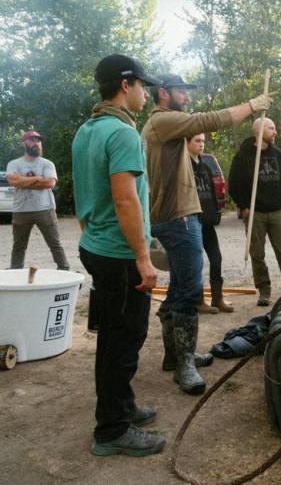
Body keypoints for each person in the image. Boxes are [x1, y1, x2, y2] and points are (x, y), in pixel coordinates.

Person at [142, 74, 271, 395]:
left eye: (187, 90)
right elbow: (210, 120)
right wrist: (252, 106)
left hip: (176, 217)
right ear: (163, 94)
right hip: (178, 219)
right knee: (187, 291)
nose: (185, 95)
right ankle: (184, 363)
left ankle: (176, 356)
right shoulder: (163, 121)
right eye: (180, 90)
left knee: (178, 288)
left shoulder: (161, 126)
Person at [72, 54, 164, 456]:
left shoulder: (87, 130)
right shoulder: (124, 134)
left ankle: (122, 408)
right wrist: (143, 258)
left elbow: (83, 194)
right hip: (120, 254)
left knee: (113, 336)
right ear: (125, 85)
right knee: (124, 341)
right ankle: (111, 430)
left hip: (97, 246)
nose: (146, 91)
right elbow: (126, 200)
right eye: (143, 84)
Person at [228, 117, 281, 306]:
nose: (275, 132)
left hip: (277, 212)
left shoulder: (280, 156)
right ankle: (264, 290)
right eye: (271, 128)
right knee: (257, 255)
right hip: (255, 214)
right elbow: (234, 185)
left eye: (275, 128)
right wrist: (244, 206)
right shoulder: (243, 156)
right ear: (258, 131)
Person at [5, 131, 70, 270]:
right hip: (21, 210)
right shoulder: (14, 163)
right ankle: (15, 273)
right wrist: (37, 178)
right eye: (32, 140)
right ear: (24, 143)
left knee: (55, 243)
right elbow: (12, 180)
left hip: (45, 208)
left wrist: (22, 180)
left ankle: (65, 270)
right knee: (19, 246)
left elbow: (49, 184)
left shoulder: (47, 164)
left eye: (38, 141)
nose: (37, 144)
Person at [187, 133, 233, 314]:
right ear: (187, 142)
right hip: (192, 221)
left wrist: (215, 214)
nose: (201, 145)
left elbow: (213, 194)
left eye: (203, 141)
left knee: (216, 258)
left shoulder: (205, 166)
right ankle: (198, 300)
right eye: (197, 141)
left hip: (207, 222)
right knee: (196, 261)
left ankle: (217, 298)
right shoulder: (183, 166)